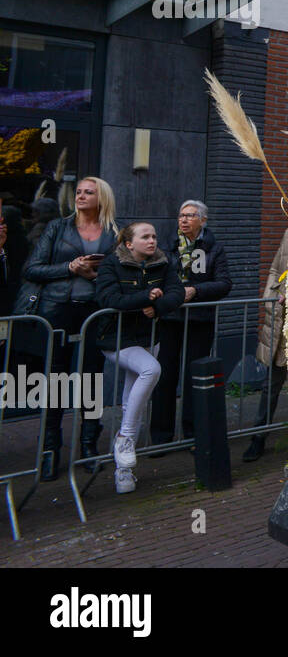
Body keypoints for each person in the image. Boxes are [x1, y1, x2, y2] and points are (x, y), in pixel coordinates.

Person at [21, 177, 118, 480]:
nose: (81, 196)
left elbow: (120, 273)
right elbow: (31, 268)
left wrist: (97, 275)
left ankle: (88, 445)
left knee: (91, 378)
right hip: (57, 310)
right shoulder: (57, 228)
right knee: (55, 379)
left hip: (95, 311)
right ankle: (50, 449)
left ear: (101, 197)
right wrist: (70, 268)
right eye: (78, 192)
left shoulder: (114, 232)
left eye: (88, 192)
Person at [94, 222, 182, 494]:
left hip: (148, 338)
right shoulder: (112, 264)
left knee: (133, 400)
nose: (152, 240)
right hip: (117, 339)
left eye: (154, 236)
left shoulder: (163, 263)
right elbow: (108, 297)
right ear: (129, 243)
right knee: (151, 370)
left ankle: (124, 473)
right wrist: (145, 296)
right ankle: (124, 438)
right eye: (145, 237)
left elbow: (177, 293)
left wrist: (156, 308)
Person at [151, 200, 231, 444]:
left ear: (203, 220)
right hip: (171, 319)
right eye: (181, 216)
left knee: (194, 376)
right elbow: (157, 276)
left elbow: (224, 283)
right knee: (165, 376)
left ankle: (192, 433)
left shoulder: (214, 249)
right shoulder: (169, 247)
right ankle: (161, 436)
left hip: (199, 320)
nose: (184, 220)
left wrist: (196, 290)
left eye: (190, 216)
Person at [244, 217, 288, 462]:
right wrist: (272, 295)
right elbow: (277, 268)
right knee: (270, 386)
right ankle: (258, 437)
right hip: (281, 323)